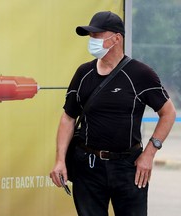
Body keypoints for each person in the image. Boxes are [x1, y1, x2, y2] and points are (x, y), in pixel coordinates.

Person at [50, 11, 176, 216]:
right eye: (90, 36)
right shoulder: (83, 73)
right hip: (88, 167)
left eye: (97, 35)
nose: (92, 41)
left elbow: (168, 113)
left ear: (116, 38)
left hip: (129, 167)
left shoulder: (141, 74)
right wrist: (60, 160)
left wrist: (149, 154)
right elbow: (68, 117)